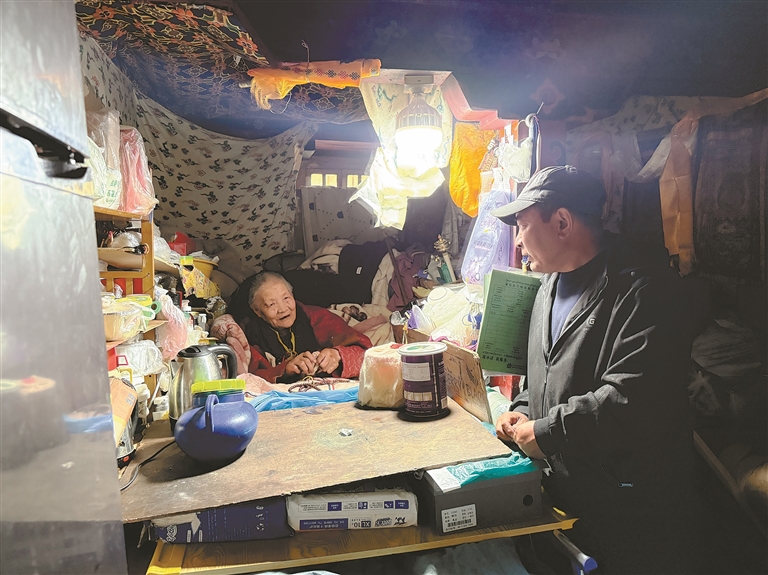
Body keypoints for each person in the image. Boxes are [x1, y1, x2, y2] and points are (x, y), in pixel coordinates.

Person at [491, 166, 699, 574]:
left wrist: (547, 432)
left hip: (630, 508)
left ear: (562, 223)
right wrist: (521, 409)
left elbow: (633, 399)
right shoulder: (548, 286)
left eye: (522, 225)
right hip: (569, 496)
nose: (517, 240)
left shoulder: (647, 289)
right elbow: (542, 374)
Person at [211, 271, 372, 383]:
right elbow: (247, 376)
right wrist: (285, 370)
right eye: (271, 304)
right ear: (257, 311)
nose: (283, 309)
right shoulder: (250, 332)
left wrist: (338, 355)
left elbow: (366, 353)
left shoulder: (315, 316)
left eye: (286, 298)